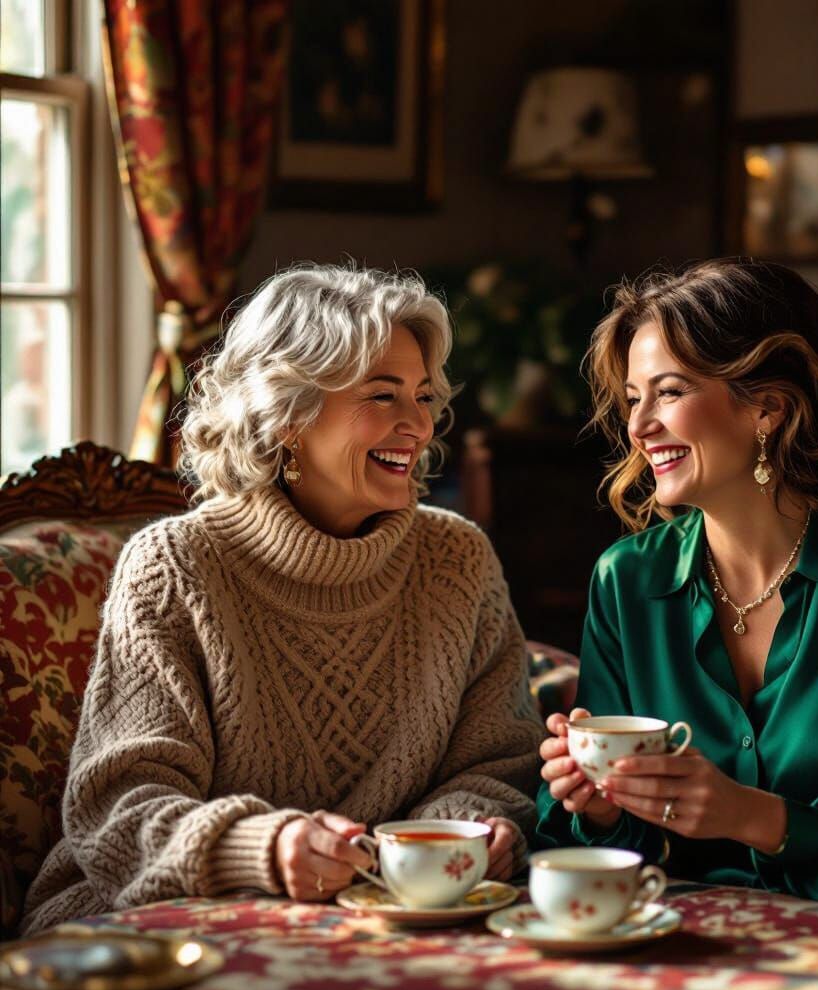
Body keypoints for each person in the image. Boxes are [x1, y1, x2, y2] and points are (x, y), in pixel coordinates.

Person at [21, 264, 545, 935]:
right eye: (382, 396)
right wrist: (263, 849)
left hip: (397, 923)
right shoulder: (175, 567)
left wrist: (465, 831)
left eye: (422, 396)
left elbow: (500, 760)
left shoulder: (458, 559)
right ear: (289, 415)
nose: (418, 424)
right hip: (166, 923)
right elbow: (117, 812)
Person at [536, 257, 818, 923]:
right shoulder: (626, 580)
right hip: (673, 941)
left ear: (768, 408)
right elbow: (594, 856)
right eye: (633, 399)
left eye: (668, 392)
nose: (638, 427)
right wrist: (601, 808)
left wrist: (753, 816)